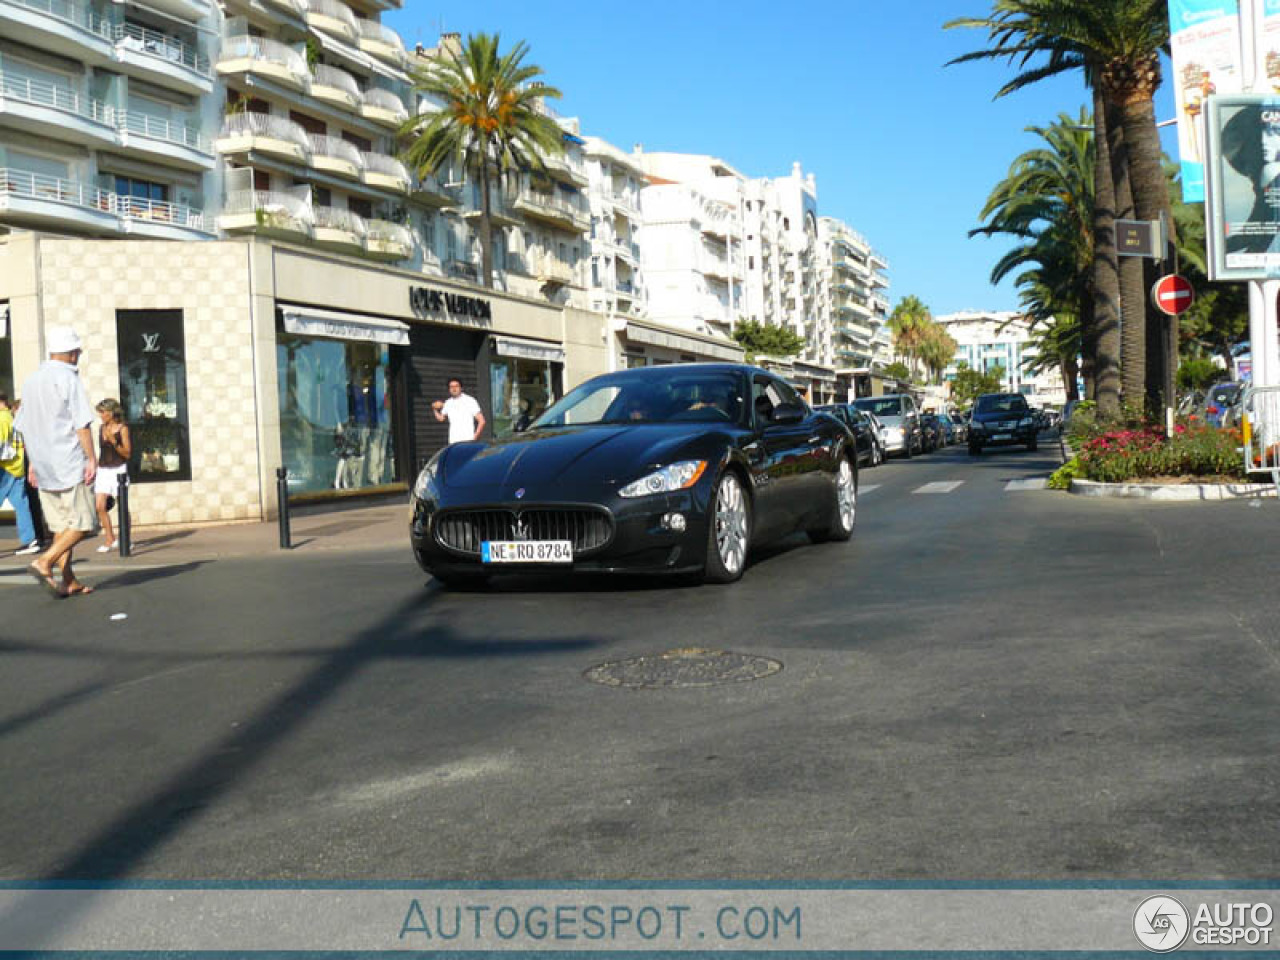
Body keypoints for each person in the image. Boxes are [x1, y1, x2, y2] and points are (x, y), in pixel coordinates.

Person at [14, 326, 98, 598]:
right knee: (83, 523)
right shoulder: (68, 379)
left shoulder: (31, 381)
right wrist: (92, 459)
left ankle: (69, 579)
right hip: (69, 461)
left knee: (62, 526)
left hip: (43, 464)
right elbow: (81, 424)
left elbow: (24, 425)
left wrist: (32, 464)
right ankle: (44, 561)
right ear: (73, 353)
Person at [0, 393, 40, 556]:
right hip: (16, 466)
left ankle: (30, 540)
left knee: (21, 504)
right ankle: (30, 540)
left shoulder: (2, 419)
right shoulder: (13, 418)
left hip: (5, 468)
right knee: (22, 505)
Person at [93, 398, 131, 553]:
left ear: (111, 412)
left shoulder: (122, 428)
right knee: (100, 506)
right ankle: (110, 538)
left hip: (118, 469)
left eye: (103, 412)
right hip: (103, 470)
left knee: (122, 506)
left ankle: (125, 539)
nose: (101, 415)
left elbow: (127, 453)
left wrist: (114, 441)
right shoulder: (101, 428)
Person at [432, 378, 485, 444]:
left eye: (456, 386)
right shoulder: (448, 403)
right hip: (453, 442)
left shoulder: (470, 401)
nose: (454, 389)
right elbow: (441, 418)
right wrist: (434, 409)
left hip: (467, 441)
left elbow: (482, 421)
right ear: (449, 389)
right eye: (451, 387)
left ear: (461, 388)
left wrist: (475, 437)